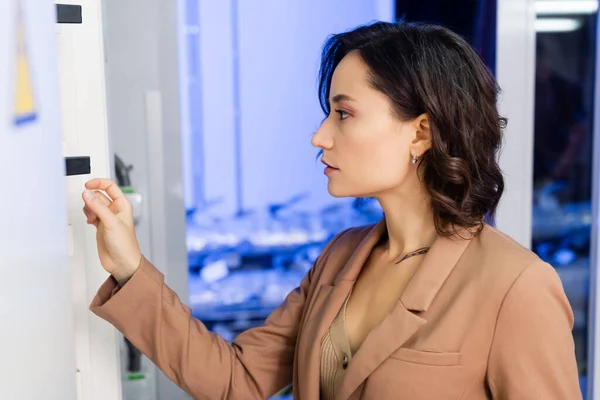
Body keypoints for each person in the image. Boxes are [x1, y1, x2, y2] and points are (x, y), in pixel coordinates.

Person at [82, 22, 581, 399]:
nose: (320, 136)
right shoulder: (341, 257)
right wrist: (130, 268)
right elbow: (237, 379)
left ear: (421, 132)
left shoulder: (517, 287)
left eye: (344, 114)